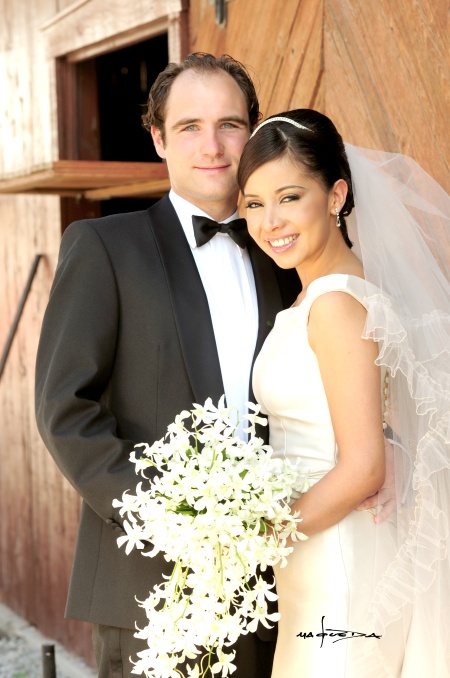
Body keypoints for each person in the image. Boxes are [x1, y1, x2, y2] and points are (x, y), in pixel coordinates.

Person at [34, 53, 301, 678]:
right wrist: (170, 521)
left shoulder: (286, 253)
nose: (212, 146)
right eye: (188, 126)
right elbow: (65, 411)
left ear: (255, 134)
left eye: (230, 125)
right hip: (153, 586)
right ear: (158, 137)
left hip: (281, 582)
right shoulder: (104, 247)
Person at [237, 109, 450, 677]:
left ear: (335, 195)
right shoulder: (336, 294)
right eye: (254, 203)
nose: (269, 221)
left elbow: (362, 468)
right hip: (318, 554)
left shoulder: (333, 305)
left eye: (289, 196)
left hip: (339, 560)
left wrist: (255, 542)